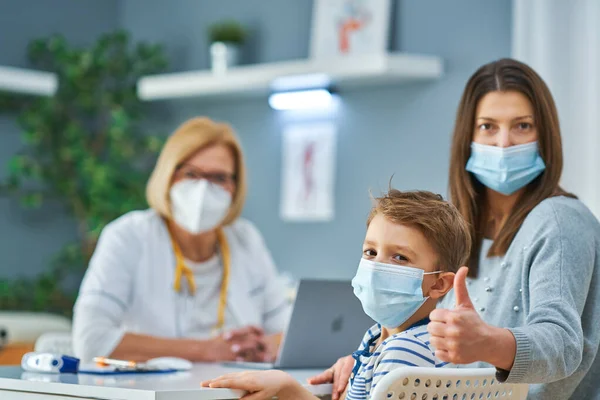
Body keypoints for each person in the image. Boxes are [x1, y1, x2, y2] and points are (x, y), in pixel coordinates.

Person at [314, 58, 600, 400]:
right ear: (468, 135)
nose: (504, 143)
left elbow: (563, 344)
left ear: (545, 136)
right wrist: (368, 363)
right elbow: (430, 344)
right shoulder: (461, 227)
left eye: (522, 126)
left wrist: (488, 342)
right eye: (488, 127)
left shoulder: (560, 220)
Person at [202, 189, 471, 400]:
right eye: (371, 252)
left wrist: (286, 388)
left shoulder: (406, 351)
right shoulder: (380, 336)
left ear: (439, 284)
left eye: (400, 257)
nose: (376, 267)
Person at [72, 117, 291, 363]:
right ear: (168, 176)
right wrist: (206, 350)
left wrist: (264, 345)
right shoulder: (128, 236)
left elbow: (286, 330)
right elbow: (91, 339)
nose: (203, 189)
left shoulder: (246, 239)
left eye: (219, 178)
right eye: (191, 174)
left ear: (235, 187)